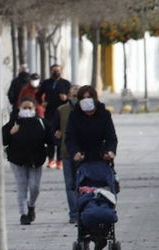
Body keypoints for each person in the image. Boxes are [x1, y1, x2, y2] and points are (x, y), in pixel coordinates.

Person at [2, 97, 50, 225]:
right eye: (24, 108)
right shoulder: (13, 123)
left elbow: (49, 139)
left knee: (35, 187)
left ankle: (31, 205)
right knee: (21, 186)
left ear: (35, 109)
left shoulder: (41, 123)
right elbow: (3, 140)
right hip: (17, 160)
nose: (27, 110)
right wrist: (10, 133)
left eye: (30, 108)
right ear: (19, 109)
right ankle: (23, 213)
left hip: (36, 160)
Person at [65, 85, 118, 169]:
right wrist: (75, 152)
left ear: (94, 98)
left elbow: (111, 137)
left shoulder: (104, 114)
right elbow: (70, 137)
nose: (86, 100)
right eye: (83, 98)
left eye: (89, 97)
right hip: (81, 159)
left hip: (101, 158)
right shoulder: (74, 115)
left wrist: (110, 151)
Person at [53, 85, 80, 223]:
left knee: (83, 183)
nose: (75, 98)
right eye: (73, 95)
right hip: (67, 153)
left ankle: (84, 211)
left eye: (78, 95)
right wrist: (57, 136)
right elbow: (55, 130)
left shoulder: (88, 110)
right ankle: (74, 213)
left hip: (83, 153)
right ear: (68, 96)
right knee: (70, 184)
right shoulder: (61, 110)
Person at [37, 64, 71, 168]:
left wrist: (65, 98)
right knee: (50, 136)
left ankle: (59, 160)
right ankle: (51, 159)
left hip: (62, 112)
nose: (56, 72)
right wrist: (41, 102)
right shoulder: (46, 83)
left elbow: (71, 96)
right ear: (51, 71)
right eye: (54, 70)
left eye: (58, 70)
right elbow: (38, 94)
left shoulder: (66, 83)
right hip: (49, 112)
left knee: (61, 135)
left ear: (61, 71)